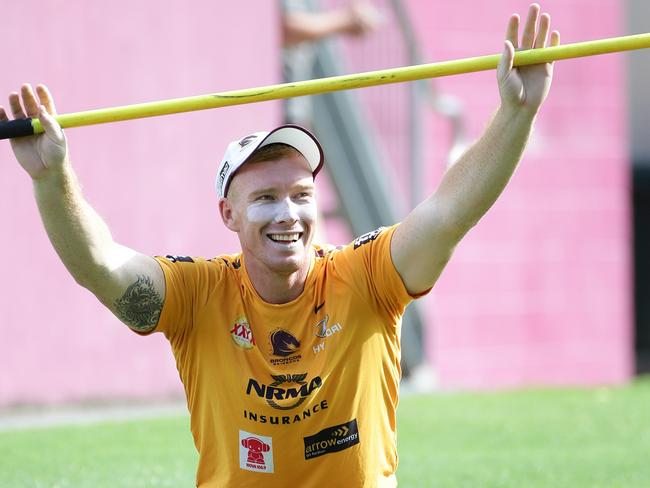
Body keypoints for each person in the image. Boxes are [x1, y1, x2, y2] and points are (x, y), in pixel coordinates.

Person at [1, 4, 559, 487]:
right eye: (266, 197)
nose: (288, 214)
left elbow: (447, 213)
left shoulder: (364, 277)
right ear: (229, 214)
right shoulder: (198, 294)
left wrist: (516, 114)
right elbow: (100, 264)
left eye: (300, 194)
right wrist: (53, 180)